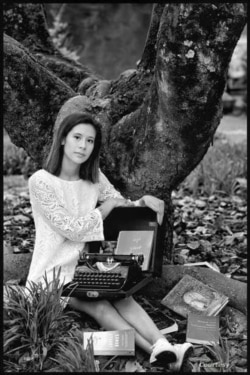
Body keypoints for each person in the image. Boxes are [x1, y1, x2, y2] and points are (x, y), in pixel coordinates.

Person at [26, 112, 193, 370]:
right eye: (77, 137)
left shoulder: (94, 179)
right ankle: (161, 352)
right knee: (101, 304)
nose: (83, 146)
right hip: (52, 276)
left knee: (121, 295)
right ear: (62, 140)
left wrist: (141, 202)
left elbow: (119, 205)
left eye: (90, 141)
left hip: (86, 269)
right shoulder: (41, 181)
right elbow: (72, 229)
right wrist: (104, 209)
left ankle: (162, 346)